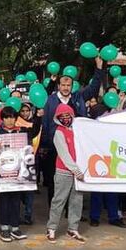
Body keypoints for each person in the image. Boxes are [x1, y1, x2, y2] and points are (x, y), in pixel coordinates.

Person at [41, 57, 103, 205]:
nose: (66, 87)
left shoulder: (78, 97)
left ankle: (72, 212)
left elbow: (94, 87)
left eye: (68, 85)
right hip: (55, 147)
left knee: (75, 177)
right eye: (63, 84)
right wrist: (47, 144)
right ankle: (54, 209)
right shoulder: (51, 100)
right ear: (59, 86)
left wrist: (99, 68)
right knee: (53, 179)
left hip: (76, 145)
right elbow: (47, 123)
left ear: (72, 85)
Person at [46, 104, 85, 244]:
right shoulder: (59, 132)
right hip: (64, 171)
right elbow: (64, 154)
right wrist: (75, 170)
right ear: (58, 118)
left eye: (68, 116)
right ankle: (51, 228)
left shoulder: (77, 131)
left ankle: (73, 228)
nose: (65, 119)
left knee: (77, 201)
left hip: (79, 172)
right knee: (59, 200)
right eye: (62, 117)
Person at [0, 107, 28, 242]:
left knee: (16, 198)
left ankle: (15, 227)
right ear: (2, 119)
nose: (10, 120)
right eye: (7, 117)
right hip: (4, 172)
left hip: (18, 171)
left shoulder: (21, 132)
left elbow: (27, 150)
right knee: (4, 199)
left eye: (12, 117)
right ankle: (4, 227)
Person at [16, 103, 42, 224]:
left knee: (29, 190)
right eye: (22, 111)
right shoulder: (15, 124)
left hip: (30, 160)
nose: (25, 113)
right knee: (18, 190)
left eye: (27, 110)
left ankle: (28, 215)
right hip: (17, 160)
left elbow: (36, 132)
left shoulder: (34, 123)